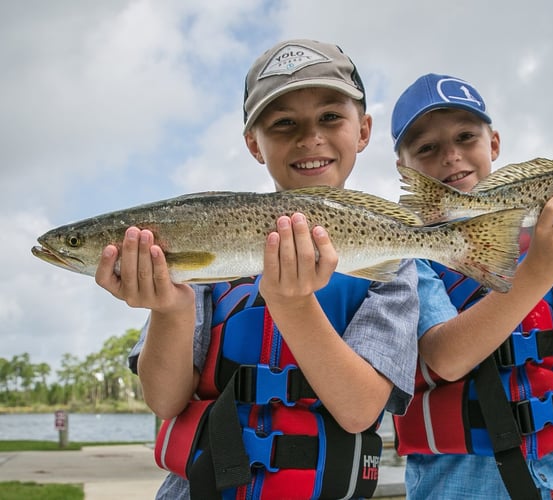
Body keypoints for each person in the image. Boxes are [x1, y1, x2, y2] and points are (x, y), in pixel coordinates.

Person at [94, 39, 419, 499]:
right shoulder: (205, 236)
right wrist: (171, 308)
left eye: (330, 117)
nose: (310, 138)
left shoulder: (394, 261)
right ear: (253, 143)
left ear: (363, 130)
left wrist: (292, 303)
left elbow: (360, 410)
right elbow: (165, 401)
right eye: (284, 123)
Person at [389, 73, 553, 499]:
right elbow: (447, 359)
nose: (451, 156)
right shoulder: (408, 254)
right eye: (427, 148)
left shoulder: (547, 238)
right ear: (404, 167)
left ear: (494, 143)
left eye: (465, 137)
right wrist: (539, 270)